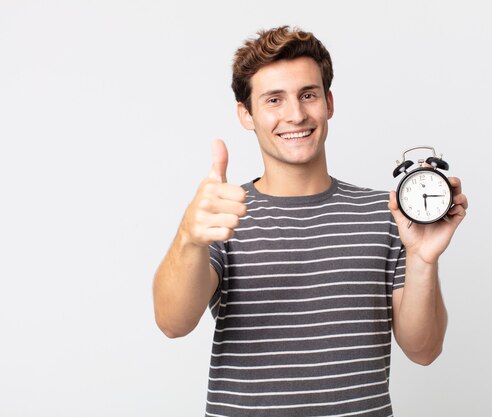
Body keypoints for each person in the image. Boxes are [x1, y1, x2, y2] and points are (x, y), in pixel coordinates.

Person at [153, 25, 468, 416]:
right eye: (274, 100)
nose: (296, 114)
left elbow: (424, 351)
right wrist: (189, 238)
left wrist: (423, 258)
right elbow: (172, 323)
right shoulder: (223, 213)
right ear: (246, 114)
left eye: (308, 95)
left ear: (329, 102)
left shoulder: (387, 214)